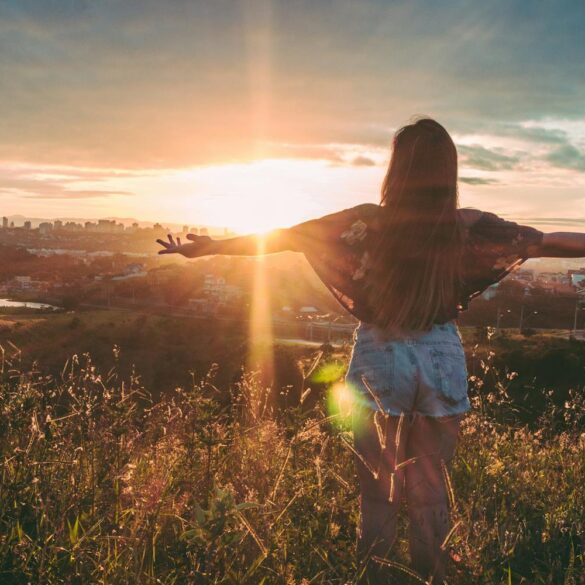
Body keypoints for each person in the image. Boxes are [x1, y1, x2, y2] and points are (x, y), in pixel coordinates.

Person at [157, 117, 585, 582]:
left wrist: (211, 247)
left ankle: (375, 576)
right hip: (441, 354)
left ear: (396, 169)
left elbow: (284, 237)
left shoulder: (365, 220)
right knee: (430, 489)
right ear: (450, 169)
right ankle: (430, 577)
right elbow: (546, 242)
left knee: (376, 491)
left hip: (379, 354)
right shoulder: (468, 226)